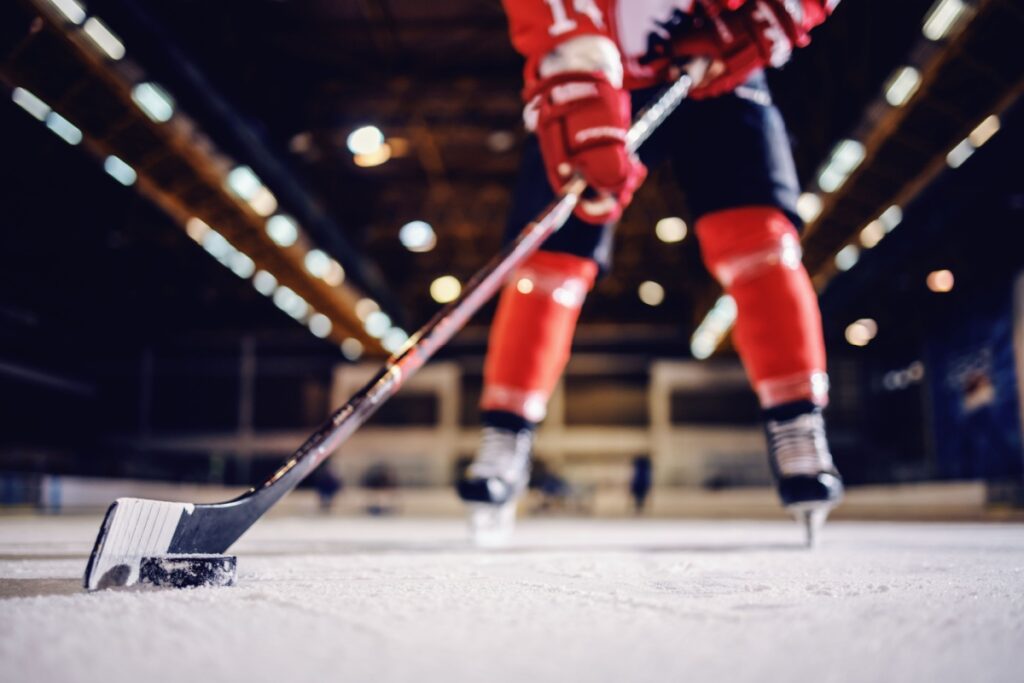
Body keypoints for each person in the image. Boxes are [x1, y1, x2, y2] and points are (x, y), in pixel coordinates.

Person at [457, 0, 845, 543]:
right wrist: (575, 73)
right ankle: (505, 439)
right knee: (549, 261)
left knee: (759, 241)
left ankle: (798, 428)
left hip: (718, 59)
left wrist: (773, 12)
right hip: (602, 71)